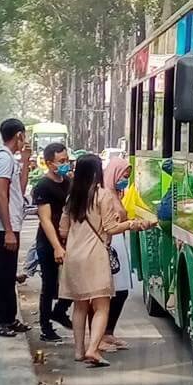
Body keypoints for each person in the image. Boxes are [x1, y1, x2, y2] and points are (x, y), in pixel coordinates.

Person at [59, 154, 153, 367]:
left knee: (80, 306)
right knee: (102, 306)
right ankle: (93, 349)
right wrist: (132, 225)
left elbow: (63, 230)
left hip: (73, 257)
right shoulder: (103, 196)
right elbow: (111, 228)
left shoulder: (72, 197)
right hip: (95, 257)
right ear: (97, 172)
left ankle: (78, 351)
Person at [0, 118, 31, 337]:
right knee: (0, 275)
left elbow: (18, 190)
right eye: (24, 135)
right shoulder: (3, 159)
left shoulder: (10, 159)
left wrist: (26, 161)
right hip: (4, 226)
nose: (25, 140)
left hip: (11, 224)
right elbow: (1, 194)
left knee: (8, 273)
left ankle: (9, 318)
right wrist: (9, 230)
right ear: (19, 135)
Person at [33, 142, 74, 342]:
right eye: (62, 161)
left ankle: (59, 311)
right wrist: (57, 246)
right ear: (50, 163)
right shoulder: (42, 186)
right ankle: (45, 327)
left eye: (67, 160)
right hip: (48, 242)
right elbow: (45, 219)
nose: (66, 164)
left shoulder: (67, 182)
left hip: (69, 240)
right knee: (49, 285)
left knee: (74, 280)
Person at [101, 156, 133, 350]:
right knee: (110, 292)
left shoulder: (117, 193)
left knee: (121, 291)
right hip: (110, 244)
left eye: (127, 176)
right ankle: (101, 336)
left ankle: (108, 333)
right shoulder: (105, 194)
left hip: (119, 243)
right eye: (123, 175)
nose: (125, 179)